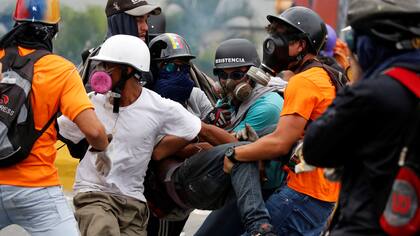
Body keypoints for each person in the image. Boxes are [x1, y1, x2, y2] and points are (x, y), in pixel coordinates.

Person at [302, 0, 420, 235]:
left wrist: (356, 81)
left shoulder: (370, 93)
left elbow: (315, 147)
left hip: (365, 225)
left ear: (369, 44)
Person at [222, 6, 341, 235]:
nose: (272, 43)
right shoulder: (327, 75)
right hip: (323, 196)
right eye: (273, 33)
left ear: (301, 44)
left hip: (302, 196)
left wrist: (234, 153)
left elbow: (281, 142)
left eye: (281, 36)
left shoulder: (304, 81)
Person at [0, 0, 109, 235]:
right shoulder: (62, 70)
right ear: (54, 30)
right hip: (36, 190)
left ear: (16, 23)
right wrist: (103, 147)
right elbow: (94, 132)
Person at [196, 38, 286, 236]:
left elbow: (227, 149)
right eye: (222, 75)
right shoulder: (230, 99)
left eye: (237, 74)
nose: (229, 82)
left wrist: (205, 130)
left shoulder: (267, 106)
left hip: (265, 191)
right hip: (241, 185)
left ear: (254, 75)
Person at [149, 32, 213, 120]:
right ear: (154, 68)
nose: (179, 71)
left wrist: (212, 120)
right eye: (171, 66)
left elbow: (215, 125)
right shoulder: (146, 101)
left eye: (184, 67)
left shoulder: (196, 95)